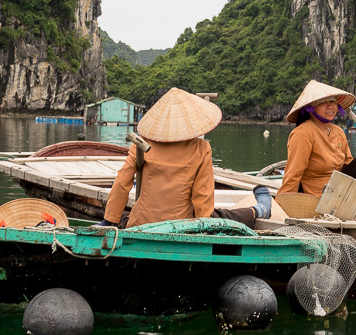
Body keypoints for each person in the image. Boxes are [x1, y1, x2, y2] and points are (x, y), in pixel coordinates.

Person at [98, 87, 272, 229]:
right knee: (219, 216)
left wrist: (108, 220)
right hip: (180, 225)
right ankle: (259, 210)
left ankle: (259, 209)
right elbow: (202, 201)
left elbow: (122, 183)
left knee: (127, 217)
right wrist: (205, 226)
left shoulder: (141, 143)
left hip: (142, 223)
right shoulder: (200, 148)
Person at [277, 80, 356, 197]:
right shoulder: (303, 133)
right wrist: (284, 201)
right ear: (311, 108)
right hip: (316, 193)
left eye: (332, 102)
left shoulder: (338, 131)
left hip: (337, 189)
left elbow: (348, 164)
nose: (330, 106)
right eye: (323, 103)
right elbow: (293, 173)